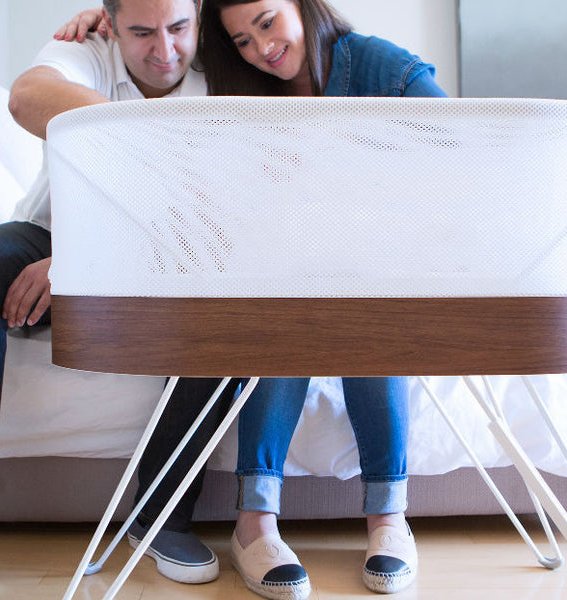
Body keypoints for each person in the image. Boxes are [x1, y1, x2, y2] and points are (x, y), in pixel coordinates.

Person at [0, 2, 238, 599]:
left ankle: (160, 513)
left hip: (172, 255)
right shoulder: (85, 52)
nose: (165, 51)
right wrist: (76, 241)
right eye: (141, 32)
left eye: (178, 29)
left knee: (233, 295)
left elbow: (212, 217)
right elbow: (26, 98)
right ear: (110, 24)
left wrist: (85, 256)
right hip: (48, 234)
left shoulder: (228, 65)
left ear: (199, 15)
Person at [201, 2, 448, 599]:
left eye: (266, 22)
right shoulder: (244, 93)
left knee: (363, 302)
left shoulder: (379, 68)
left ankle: (388, 517)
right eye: (240, 40)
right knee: (289, 303)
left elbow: (456, 149)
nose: (260, 49)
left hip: (378, 265)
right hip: (287, 269)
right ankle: (255, 522)